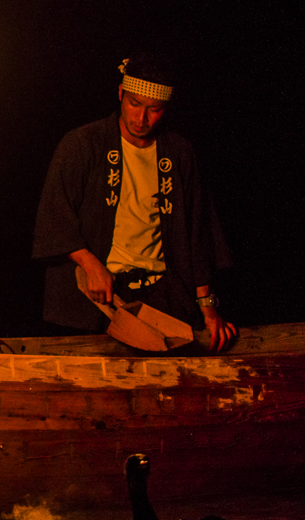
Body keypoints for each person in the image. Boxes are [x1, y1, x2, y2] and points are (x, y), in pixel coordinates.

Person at [32, 53, 237, 351]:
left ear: (166, 109)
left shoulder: (179, 153)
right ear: (120, 94)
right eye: (134, 104)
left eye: (154, 110)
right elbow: (54, 215)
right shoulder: (82, 144)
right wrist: (91, 265)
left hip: (160, 300)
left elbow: (197, 233)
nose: (141, 119)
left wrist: (208, 308)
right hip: (97, 300)